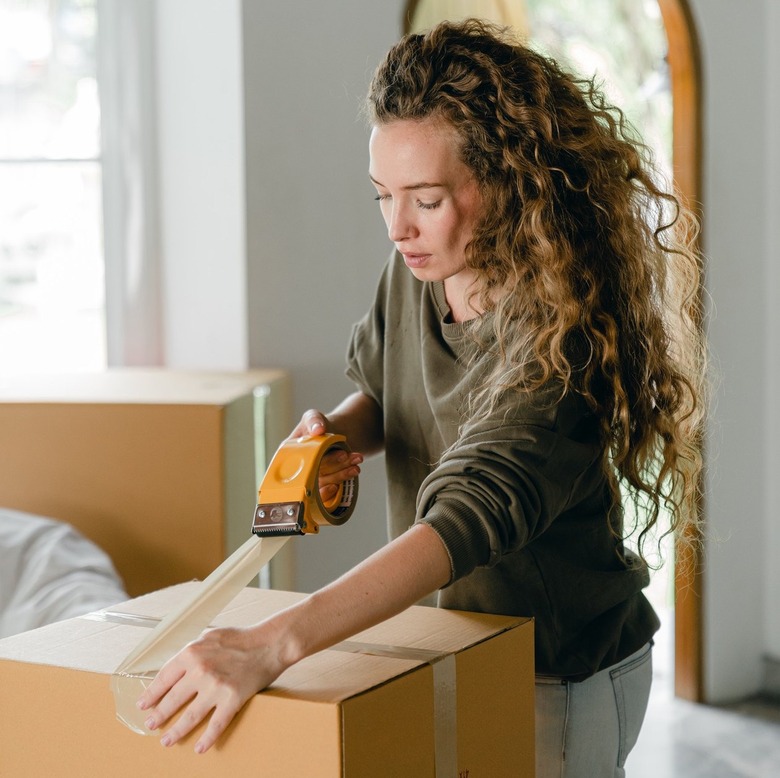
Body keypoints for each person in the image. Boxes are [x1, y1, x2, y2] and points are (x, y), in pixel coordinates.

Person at [138, 19, 705, 776]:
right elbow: (384, 387)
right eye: (384, 195)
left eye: (427, 199)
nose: (398, 227)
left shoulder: (562, 340)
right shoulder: (419, 270)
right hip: (454, 641)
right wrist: (336, 435)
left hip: (560, 669)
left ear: (507, 181)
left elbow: (463, 518)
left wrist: (269, 643)